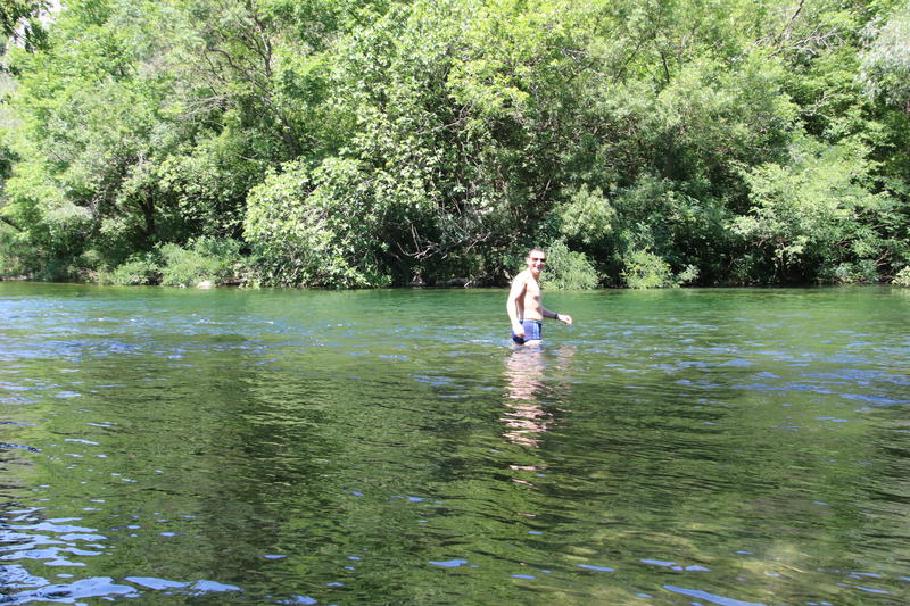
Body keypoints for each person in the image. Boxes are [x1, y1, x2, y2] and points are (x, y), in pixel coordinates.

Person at [506, 247, 573, 344]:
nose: (538, 263)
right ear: (528, 260)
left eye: (542, 260)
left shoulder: (533, 281)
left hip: (527, 326)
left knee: (521, 357)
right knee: (535, 358)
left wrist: (558, 316)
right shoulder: (523, 277)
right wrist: (515, 323)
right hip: (528, 326)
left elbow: (537, 308)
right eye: (535, 259)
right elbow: (511, 300)